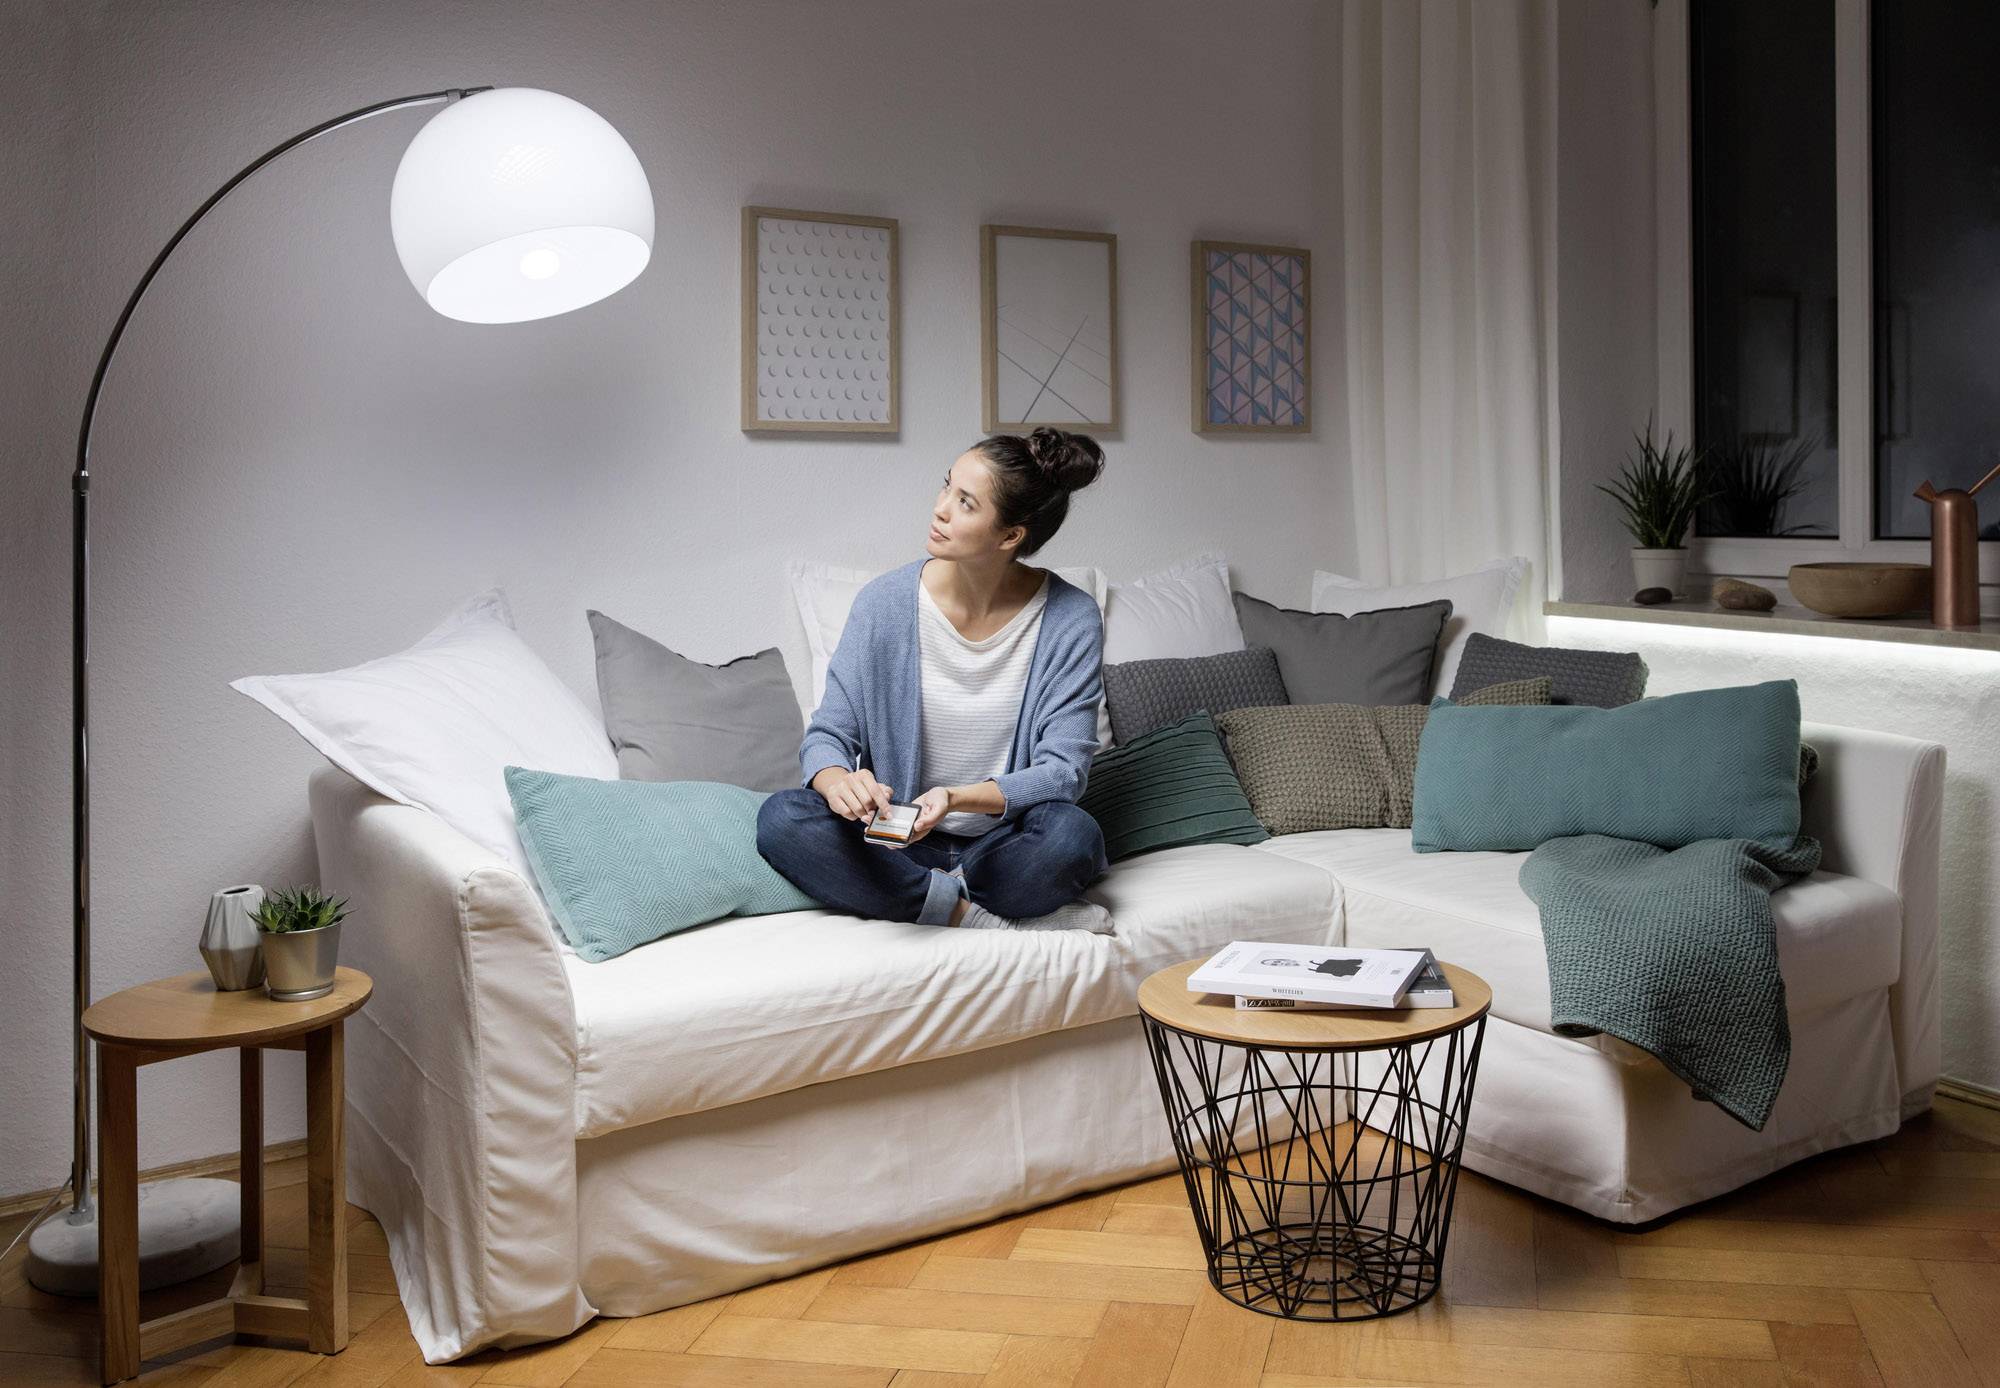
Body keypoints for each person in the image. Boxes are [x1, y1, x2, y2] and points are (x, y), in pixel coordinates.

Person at [757, 427, 1112, 932]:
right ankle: (973, 915)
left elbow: (1065, 771)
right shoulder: (884, 604)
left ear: (1010, 536)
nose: (940, 508)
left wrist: (954, 796)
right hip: (894, 841)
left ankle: (927, 895)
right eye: (947, 487)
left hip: (1001, 847)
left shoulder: (1070, 618)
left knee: (1072, 836)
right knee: (782, 820)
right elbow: (829, 734)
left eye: (965, 503)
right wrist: (840, 782)